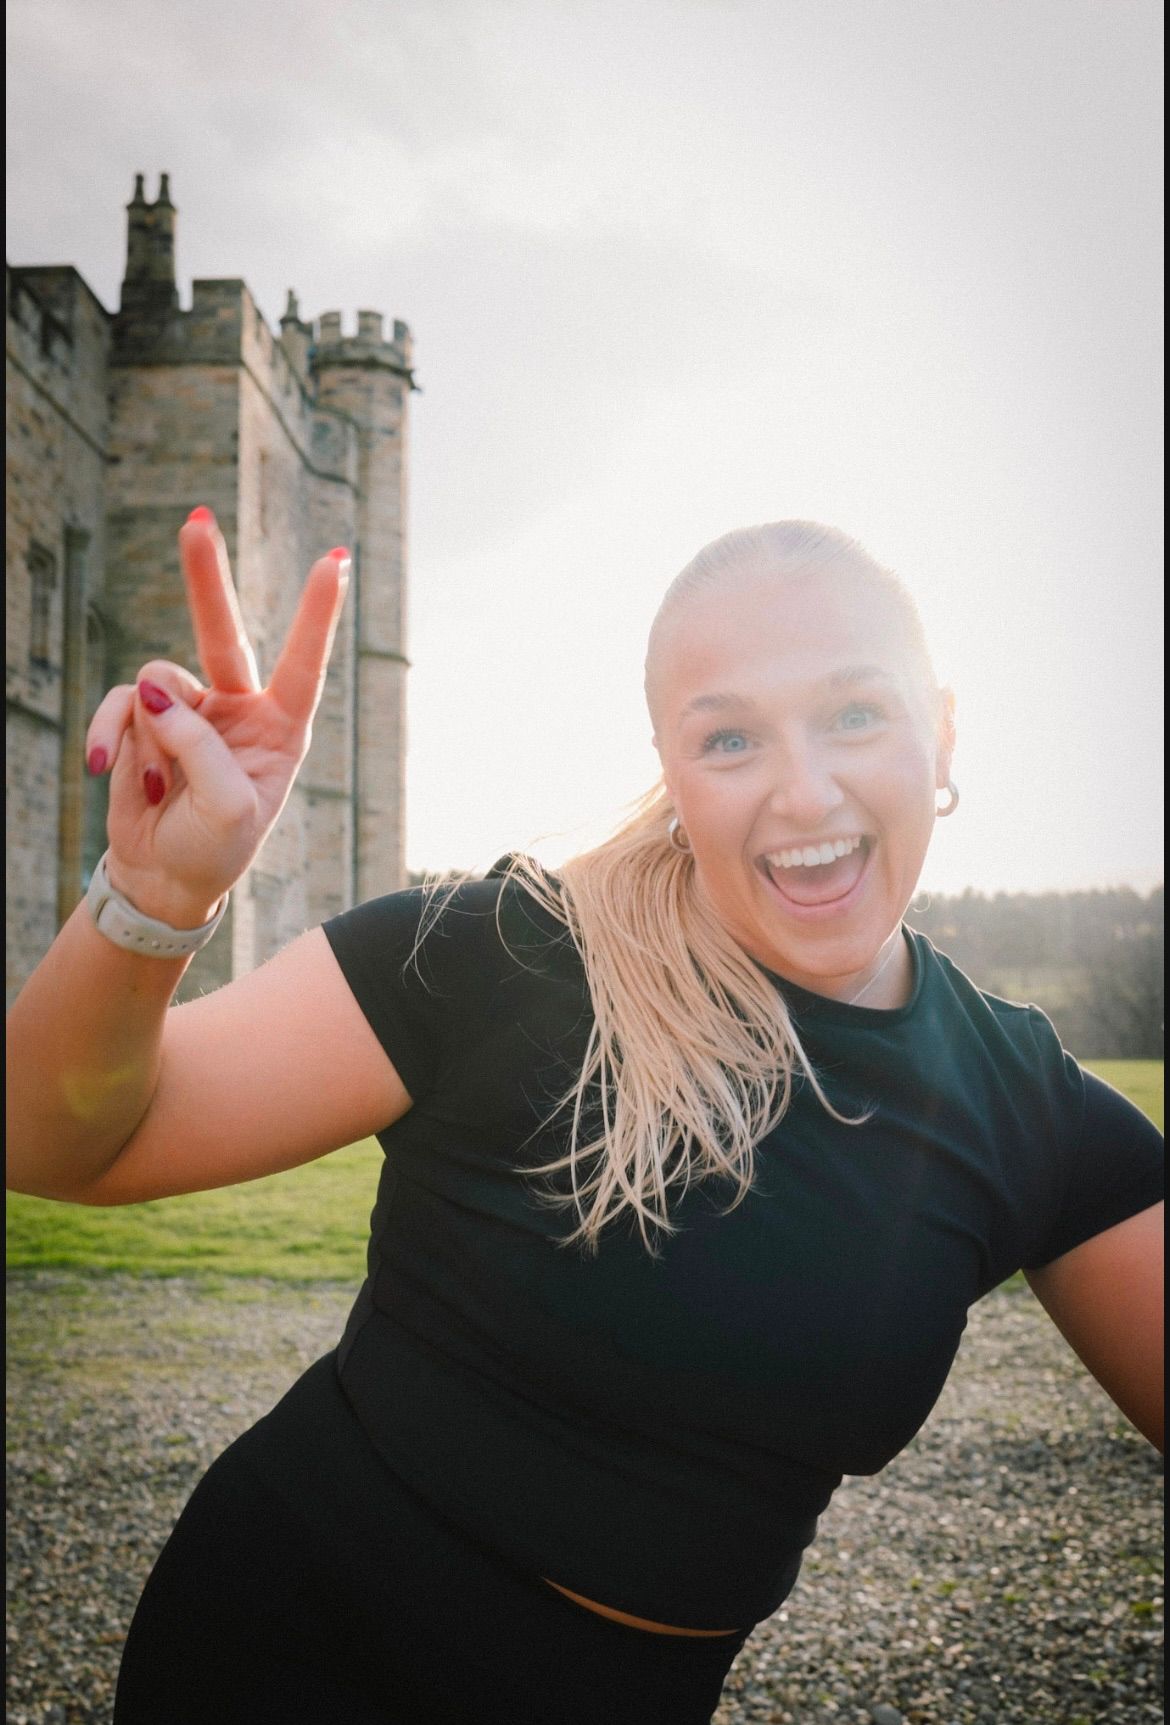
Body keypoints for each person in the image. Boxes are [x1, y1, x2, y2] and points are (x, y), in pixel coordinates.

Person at [6, 512, 1163, 1725]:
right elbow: (53, 1142)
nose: (802, 789)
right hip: (280, 1655)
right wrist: (157, 892)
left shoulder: (1022, 1102)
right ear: (673, 766)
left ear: (943, 732)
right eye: (730, 737)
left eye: (856, 714)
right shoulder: (503, 953)